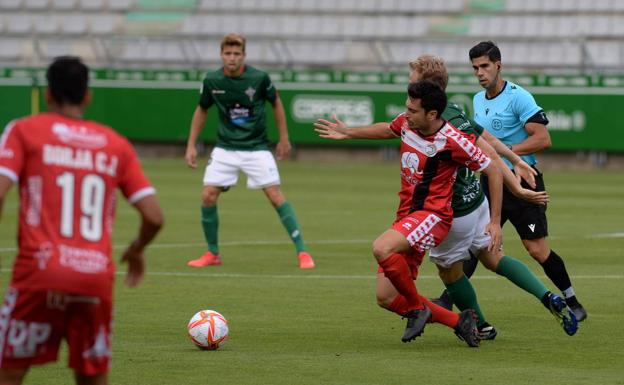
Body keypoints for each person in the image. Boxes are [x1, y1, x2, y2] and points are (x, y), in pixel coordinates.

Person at [0, 56, 163, 385]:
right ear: (87, 95)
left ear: (47, 94)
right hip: (94, 279)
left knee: (9, 375)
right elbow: (154, 216)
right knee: (92, 379)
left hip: (39, 273)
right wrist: (135, 250)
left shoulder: (23, 131)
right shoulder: (116, 144)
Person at [317, 80, 503, 347]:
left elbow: (493, 170)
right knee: (386, 297)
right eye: (406, 108)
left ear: (432, 114)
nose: (407, 114)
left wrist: (495, 221)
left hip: (433, 215)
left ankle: (417, 308)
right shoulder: (407, 123)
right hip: (407, 217)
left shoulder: (452, 140)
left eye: (413, 110)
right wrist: (348, 133)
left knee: (382, 248)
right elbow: (387, 128)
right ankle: (459, 321)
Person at [407, 55, 577, 338]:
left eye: (412, 81)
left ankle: (482, 325)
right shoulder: (455, 110)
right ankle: (549, 297)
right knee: (493, 258)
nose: (408, 87)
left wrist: (508, 202)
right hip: (476, 200)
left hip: (451, 207)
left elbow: (490, 161)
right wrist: (517, 163)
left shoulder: (431, 119)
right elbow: (490, 142)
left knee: (450, 271)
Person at [469, 41, 587, 322]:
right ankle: (448, 300)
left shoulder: (518, 97)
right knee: (477, 241)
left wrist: (504, 152)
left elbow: (543, 138)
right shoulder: (476, 100)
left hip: (523, 182)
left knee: (536, 249)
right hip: (491, 181)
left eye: (485, 66)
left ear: (498, 65)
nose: (480, 73)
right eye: (475, 68)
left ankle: (571, 298)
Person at [184, 33, 314, 269]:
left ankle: (302, 252)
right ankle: (213, 254)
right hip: (225, 147)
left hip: (256, 148)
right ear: (221, 55)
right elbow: (202, 109)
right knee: (207, 195)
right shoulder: (212, 80)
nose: (232, 58)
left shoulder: (259, 78)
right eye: (227, 53)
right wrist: (191, 144)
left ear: (244, 55)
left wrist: (284, 138)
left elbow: (276, 102)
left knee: (275, 195)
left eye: (236, 54)